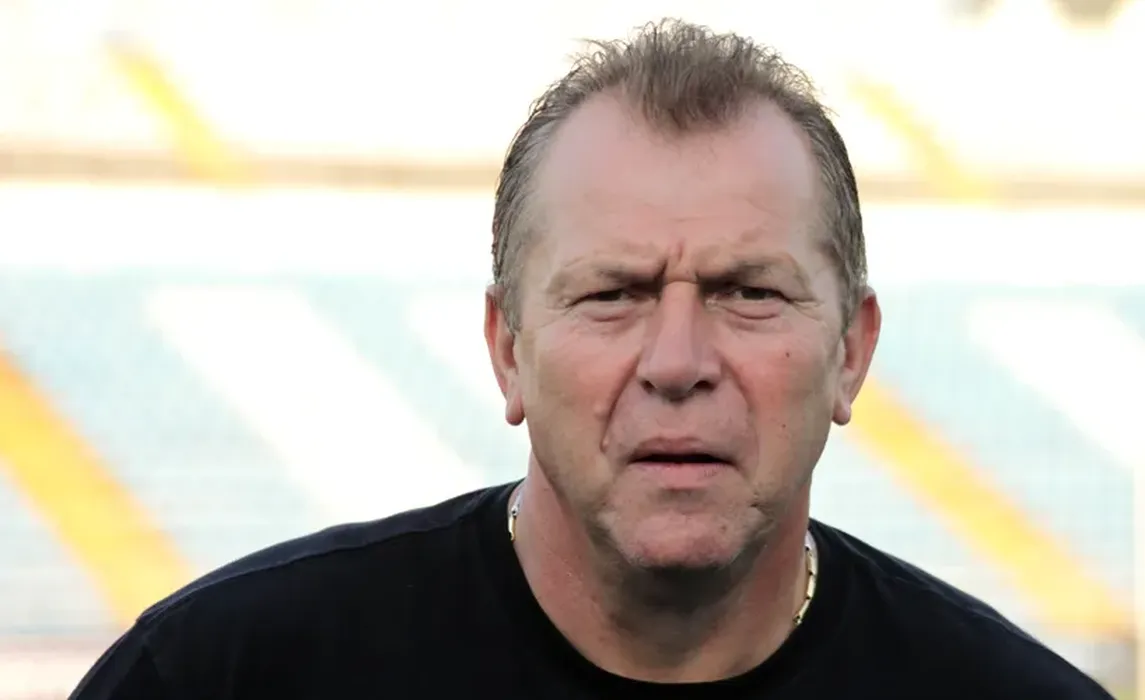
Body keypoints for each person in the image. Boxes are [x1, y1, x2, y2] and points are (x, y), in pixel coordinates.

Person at [70, 19, 1115, 699]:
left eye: (747, 292)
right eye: (612, 295)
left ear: (850, 350)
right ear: (506, 351)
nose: (676, 361)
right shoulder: (220, 677)